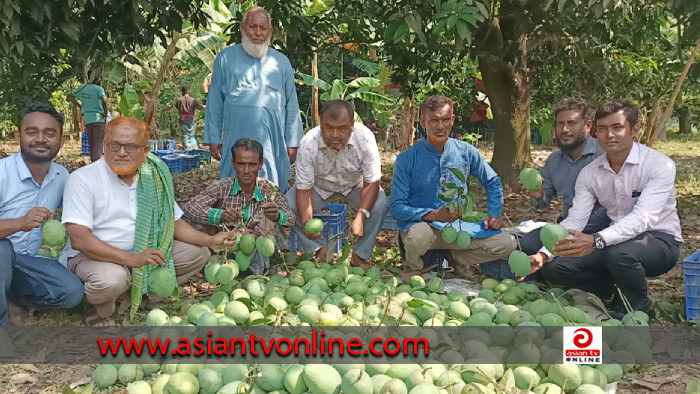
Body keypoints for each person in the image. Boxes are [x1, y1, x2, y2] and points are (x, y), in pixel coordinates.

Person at [60, 116, 235, 325]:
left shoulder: (154, 177)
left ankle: (144, 295)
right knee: (112, 279)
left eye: (131, 146)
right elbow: (80, 239)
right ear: (104, 145)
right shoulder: (83, 178)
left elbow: (173, 222)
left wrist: (209, 240)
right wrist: (131, 259)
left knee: (197, 254)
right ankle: (101, 309)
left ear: (145, 151)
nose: (122, 152)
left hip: (142, 253)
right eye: (114, 145)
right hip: (94, 258)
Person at [526, 100, 682, 318]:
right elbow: (575, 221)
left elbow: (643, 218)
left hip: (659, 242)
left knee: (619, 253)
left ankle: (641, 308)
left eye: (617, 127)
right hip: (613, 241)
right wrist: (544, 255)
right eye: (603, 129)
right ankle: (615, 292)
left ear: (634, 130)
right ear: (594, 132)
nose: (609, 135)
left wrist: (595, 240)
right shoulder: (590, 173)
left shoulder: (659, 165)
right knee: (556, 269)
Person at [390, 95, 516, 282]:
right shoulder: (407, 159)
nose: (440, 126)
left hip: (459, 229)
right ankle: (413, 266)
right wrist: (433, 215)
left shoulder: (465, 152)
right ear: (423, 122)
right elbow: (397, 207)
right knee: (418, 236)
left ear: (452, 120)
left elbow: (493, 182)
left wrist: (495, 214)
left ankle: (455, 257)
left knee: (507, 243)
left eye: (445, 119)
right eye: (433, 120)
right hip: (425, 229)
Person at [0, 103, 84, 326]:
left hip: (27, 262)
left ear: (62, 140)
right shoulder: (2, 173)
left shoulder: (61, 176)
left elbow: (77, 218)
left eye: (49, 133)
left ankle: (12, 299)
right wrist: (20, 223)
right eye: (31, 132)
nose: (40, 139)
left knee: (72, 292)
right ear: (18, 135)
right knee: (2, 250)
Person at [204, 6, 303, 193]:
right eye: (252, 27)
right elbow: (215, 100)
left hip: (272, 137)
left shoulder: (282, 62)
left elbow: (291, 103)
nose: (258, 33)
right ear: (242, 28)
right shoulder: (225, 58)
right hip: (236, 133)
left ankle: (270, 218)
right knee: (234, 182)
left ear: (270, 31)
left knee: (271, 185)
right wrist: (213, 137)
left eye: (263, 28)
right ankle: (234, 219)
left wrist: (293, 141)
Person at [286, 100, 389, 269]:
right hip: (319, 186)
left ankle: (360, 255)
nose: (334, 134)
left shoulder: (365, 138)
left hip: (355, 185)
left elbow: (372, 182)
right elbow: (304, 189)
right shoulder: (308, 143)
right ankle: (320, 249)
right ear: (320, 124)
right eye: (329, 127)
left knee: (381, 204)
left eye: (341, 128)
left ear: (352, 125)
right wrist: (306, 222)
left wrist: (361, 216)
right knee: (288, 206)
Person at [184, 138, 295, 275]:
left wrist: (278, 215)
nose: (246, 171)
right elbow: (191, 208)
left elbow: (290, 218)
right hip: (227, 246)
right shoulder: (222, 187)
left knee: (273, 228)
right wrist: (220, 215)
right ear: (233, 164)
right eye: (241, 164)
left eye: (252, 165)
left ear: (260, 165)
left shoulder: (269, 189)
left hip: (257, 246)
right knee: (197, 224)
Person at [519, 98, 610, 255]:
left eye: (572, 123)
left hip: (600, 232)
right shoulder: (554, 161)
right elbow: (543, 205)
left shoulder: (604, 156)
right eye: (560, 124)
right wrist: (539, 196)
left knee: (558, 267)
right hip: (567, 229)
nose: (564, 129)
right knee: (525, 244)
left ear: (588, 126)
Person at [68, 78, 108, 162]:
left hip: (88, 119)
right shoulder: (99, 89)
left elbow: (70, 96)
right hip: (98, 119)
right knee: (98, 144)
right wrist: (105, 112)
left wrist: (80, 106)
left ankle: (93, 162)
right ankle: (95, 164)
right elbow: (104, 100)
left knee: (92, 144)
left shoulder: (83, 88)